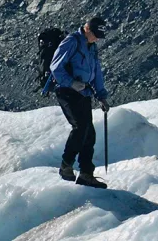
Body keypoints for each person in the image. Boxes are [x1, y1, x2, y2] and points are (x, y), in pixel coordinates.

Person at [50, 16, 111, 189]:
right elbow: (55, 67)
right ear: (87, 29)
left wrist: (101, 95)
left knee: (89, 132)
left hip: (83, 91)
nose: (97, 38)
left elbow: (96, 72)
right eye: (96, 34)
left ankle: (86, 174)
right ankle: (66, 165)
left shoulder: (92, 47)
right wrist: (71, 83)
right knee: (80, 127)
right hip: (66, 90)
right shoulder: (72, 42)